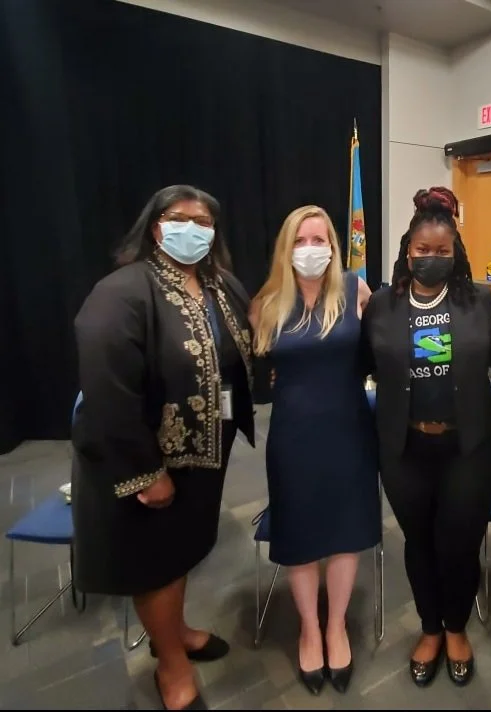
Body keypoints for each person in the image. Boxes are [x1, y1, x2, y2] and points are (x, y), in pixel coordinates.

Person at [71, 185, 255, 711]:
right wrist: (146, 471)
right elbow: (107, 391)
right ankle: (171, 666)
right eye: (181, 219)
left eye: (205, 222)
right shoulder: (123, 291)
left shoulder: (222, 286)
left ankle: (175, 632)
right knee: (154, 564)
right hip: (146, 463)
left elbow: (253, 330)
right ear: (156, 226)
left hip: (204, 452)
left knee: (179, 557)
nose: (193, 230)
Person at [361, 187, 491, 689]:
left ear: (456, 253)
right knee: (419, 541)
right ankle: (429, 627)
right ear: (407, 251)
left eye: (442, 251)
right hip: (405, 447)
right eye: (422, 251)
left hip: (468, 446)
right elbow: (361, 368)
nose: (431, 259)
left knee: (460, 543)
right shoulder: (381, 306)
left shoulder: (481, 302)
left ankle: (457, 627)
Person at [248, 205, 380, 696]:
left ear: (333, 245)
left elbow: (377, 351)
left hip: (349, 430)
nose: (311, 249)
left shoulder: (355, 291)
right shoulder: (266, 302)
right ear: (287, 247)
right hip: (293, 437)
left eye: (320, 239)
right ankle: (308, 626)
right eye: (300, 240)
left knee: (345, 531)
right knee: (301, 532)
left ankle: (336, 624)